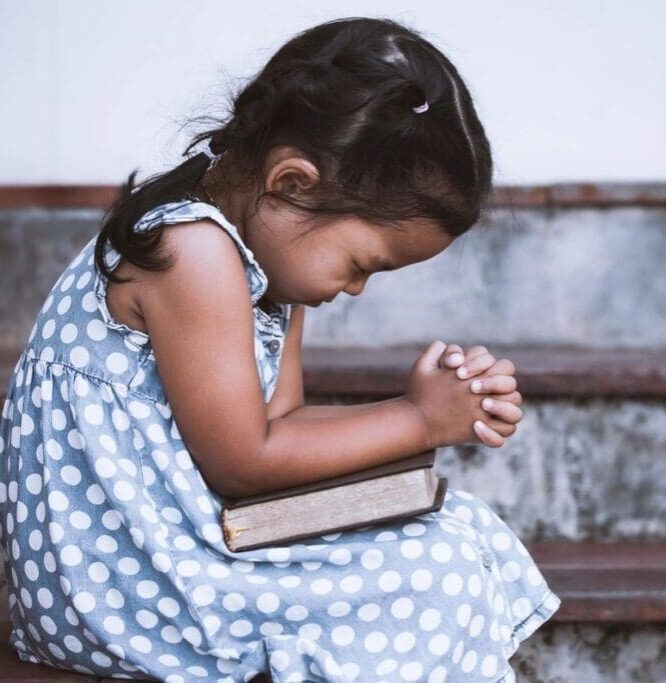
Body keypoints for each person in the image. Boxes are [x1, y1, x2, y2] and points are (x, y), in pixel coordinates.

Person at [0, 16, 561, 682]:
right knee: (436, 573)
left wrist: (434, 414)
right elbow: (245, 461)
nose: (353, 288)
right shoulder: (192, 253)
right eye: (362, 263)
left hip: (185, 551)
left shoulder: (268, 270)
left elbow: (281, 428)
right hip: (119, 588)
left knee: (457, 535)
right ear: (293, 183)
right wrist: (414, 417)